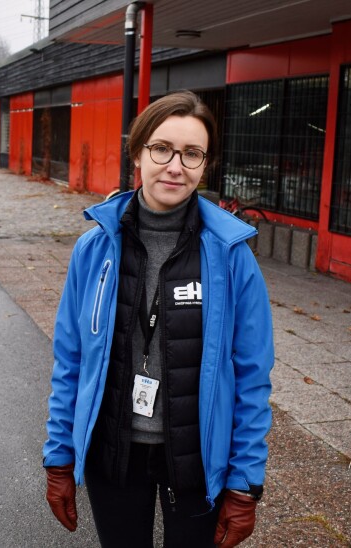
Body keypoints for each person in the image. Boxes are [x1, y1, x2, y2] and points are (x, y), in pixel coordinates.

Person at [43, 90, 274, 547]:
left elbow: (252, 376)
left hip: (196, 462)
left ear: (205, 166)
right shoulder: (94, 249)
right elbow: (70, 360)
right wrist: (59, 458)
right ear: (139, 153)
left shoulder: (231, 256)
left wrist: (244, 484)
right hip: (114, 455)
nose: (175, 166)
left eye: (192, 154)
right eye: (162, 149)